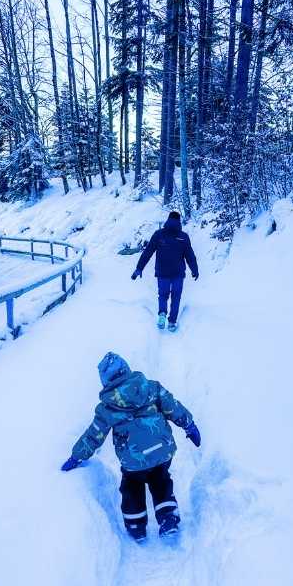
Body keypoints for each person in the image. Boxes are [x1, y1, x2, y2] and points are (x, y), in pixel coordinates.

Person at [61, 352, 201, 542]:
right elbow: (173, 407)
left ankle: (136, 525)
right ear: (126, 369)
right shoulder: (152, 388)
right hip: (162, 450)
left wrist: (77, 456)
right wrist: (189, 425)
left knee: (132, 486)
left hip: (133, 461)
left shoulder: (107, 408)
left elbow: (94, 435)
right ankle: (168, 517)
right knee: (160, 480)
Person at [131, 210, 198, 331]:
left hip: (162, 272)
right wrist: (195, 270)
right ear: (179, 221)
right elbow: (190, 256)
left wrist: (139, 268)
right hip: (178, 273)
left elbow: (148, 252)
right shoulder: (183, 237)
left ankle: (162, 313)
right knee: (176, 297)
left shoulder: (158, 234)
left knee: (163, 295)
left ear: (168, 220)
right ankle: (172, 322)